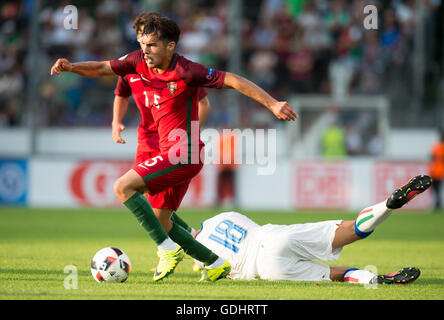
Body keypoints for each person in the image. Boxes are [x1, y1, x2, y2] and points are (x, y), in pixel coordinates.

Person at [50, 12, 297, 282]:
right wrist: (72, 67)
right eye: (142, 44)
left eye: (152, 45)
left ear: (170, 46)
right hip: (163, 150)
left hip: (183, 153)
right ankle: (214, 262)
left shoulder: (187, 71)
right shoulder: (135, 61)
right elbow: (100, 69)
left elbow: (234, 81)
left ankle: (167, 250)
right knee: (161, 220)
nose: (145, 51)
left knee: (123, 187)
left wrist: (272, 103)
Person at [194, 175, 431, 284]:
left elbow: (215, 267)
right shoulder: (223, 216)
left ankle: (375, 279)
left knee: (336, 273)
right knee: (352, 230)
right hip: (274, 237)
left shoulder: (199, 252)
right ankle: (387, 205)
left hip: (266, 269)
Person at [112, 12, 210, 237]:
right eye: (141, 37)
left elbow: (204, 104)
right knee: (148, 205)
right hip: (146, 140)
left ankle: (176, 250)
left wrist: (188, 133)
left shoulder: (178, 72)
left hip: (172, 143)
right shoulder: (132, 65)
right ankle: (195, 236)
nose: (144, 43)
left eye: (150, 38)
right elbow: (121, 95)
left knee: (156, 211)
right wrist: (116, 122)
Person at [428, 129, 444, 211]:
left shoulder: (437, 147)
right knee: (435, 189)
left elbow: (432, 157)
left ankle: (438, 204)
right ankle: (437, 204)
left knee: (437, 189)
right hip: (435, 171)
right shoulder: (436, 146)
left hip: (438, 171)